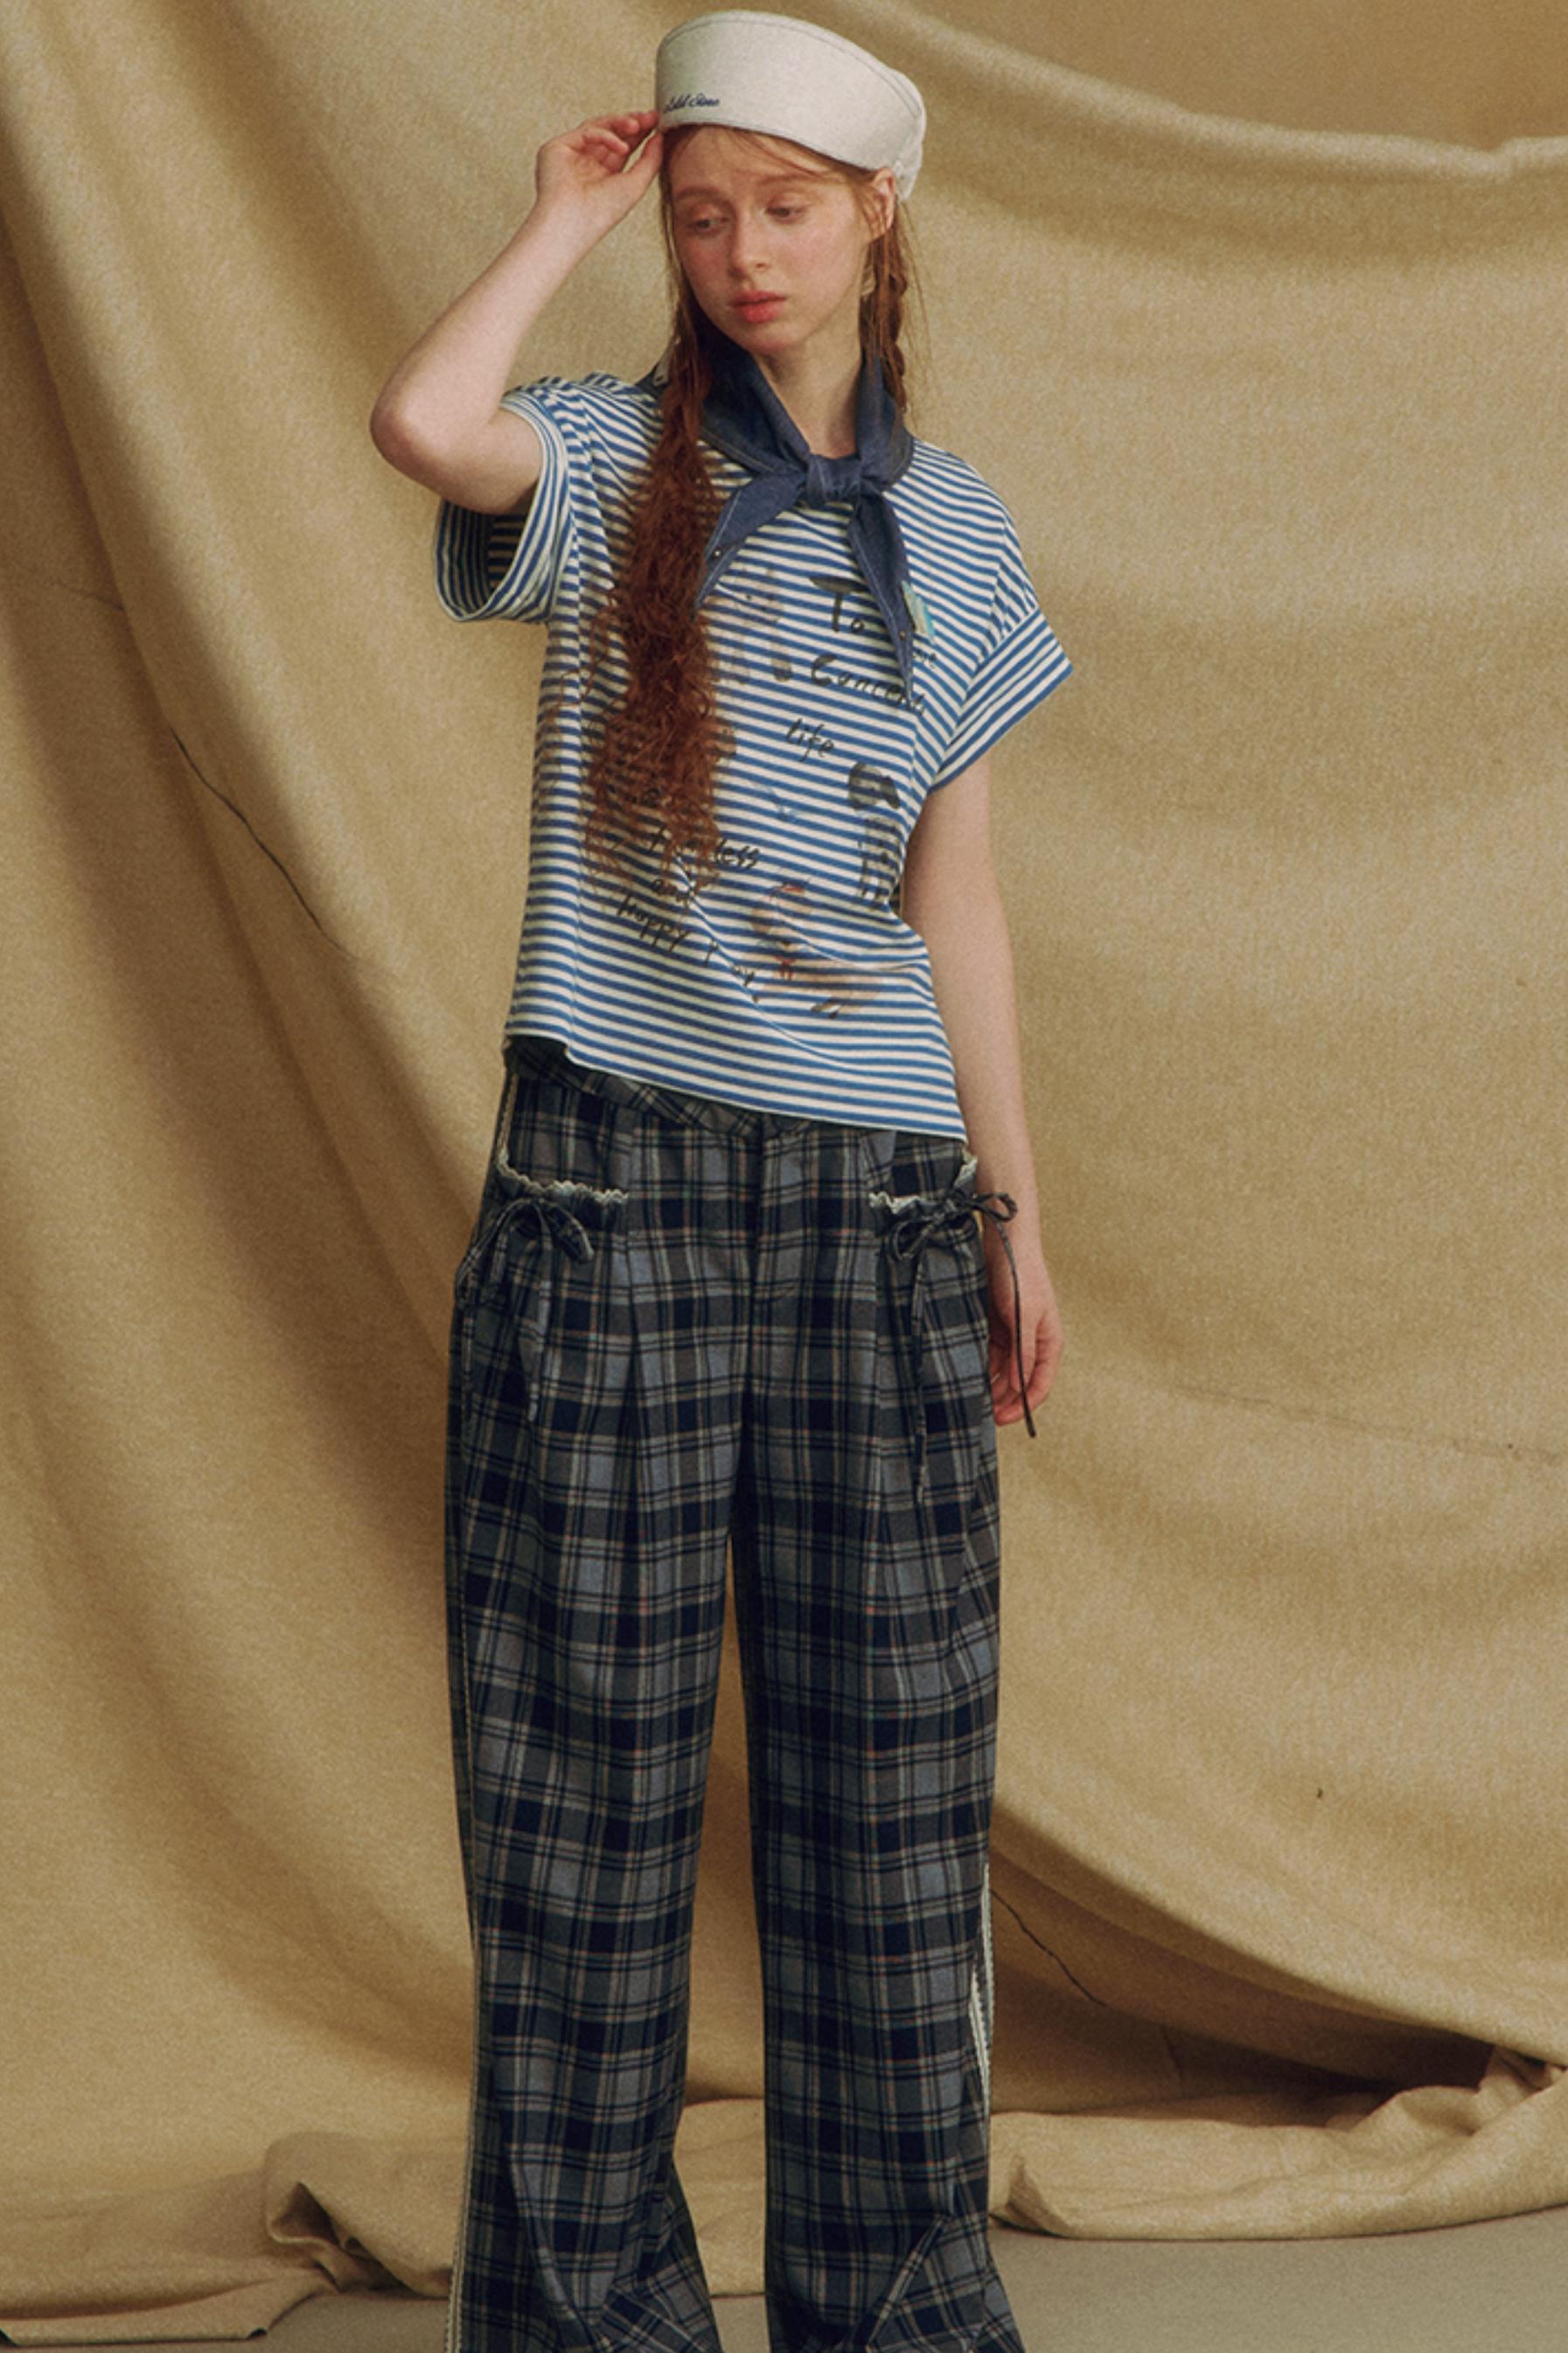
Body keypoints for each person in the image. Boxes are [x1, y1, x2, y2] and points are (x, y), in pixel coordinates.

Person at [370, 13, 1073, 2352]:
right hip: (616, 1200)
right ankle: (588, 2325)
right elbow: (423, 424)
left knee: (892, 1818)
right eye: (702, 215)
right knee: (578, 1814)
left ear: (880, 213)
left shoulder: (959, 534)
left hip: (880, 1214)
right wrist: (563, 215)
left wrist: (1008, 1210)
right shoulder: (601, 463)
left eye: (784, 207)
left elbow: (955, 901)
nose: (743, 253)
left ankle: (897, 2315)